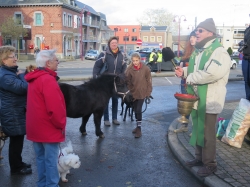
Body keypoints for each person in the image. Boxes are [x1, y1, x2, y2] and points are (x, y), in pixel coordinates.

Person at [175, 18, 231, 177]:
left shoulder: (218, 51)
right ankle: (199, 159)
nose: (196, 33)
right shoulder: (200, 51)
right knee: (198, 130)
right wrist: (183, 72)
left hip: (210, 99)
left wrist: (190, 77)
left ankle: (211, 164)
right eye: (196, 30)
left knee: (207, 133)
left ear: (210, 33)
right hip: (198, 98)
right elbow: (196, 69)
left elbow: (212, 73)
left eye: (200, 30)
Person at [25, 49, 66, 186]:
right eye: (56, 60)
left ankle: (42, 184)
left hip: (35, 127)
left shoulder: (34, 78)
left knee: (41, 159)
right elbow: (55, 108)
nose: (58, 62)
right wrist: (61, 124)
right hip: (48, 128)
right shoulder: (48, 80)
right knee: (51, 161)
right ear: (48, 63)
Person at [0, 45, 32, 175]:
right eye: (12, 56)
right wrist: (22, 76)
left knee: (18, 139)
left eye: (15, 56)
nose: (15, 59)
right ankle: (16, 167)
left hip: (15, 111)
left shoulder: (11, 72)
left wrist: (21, 75)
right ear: (4, 60)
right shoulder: (5, 76)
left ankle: (18, 162)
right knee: (16, 140)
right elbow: (23, 88)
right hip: (11, 112)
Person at [93, 36, 127, 126]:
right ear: (109, 44)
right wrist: (95, 78)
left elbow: (124, 67)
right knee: (106, 101)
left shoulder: (122, 55)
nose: (114, 44)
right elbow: (97, 66)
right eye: (112, 43)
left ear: (117, 44)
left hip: (116, 82)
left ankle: (115, 118)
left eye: (115, 43)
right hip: (106, 82)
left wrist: (122, 76)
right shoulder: (104, 54)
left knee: (115, 100)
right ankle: (106, 119)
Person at [125, 52, 152, 138]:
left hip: (142, 93)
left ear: (140, 60)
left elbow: (149, 82)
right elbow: (127, 82)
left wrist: (148, 93)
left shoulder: (146, 69)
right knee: (135, 110)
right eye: (133, 61)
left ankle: (139, 129)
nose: (135, 62)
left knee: (138, 109)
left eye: (137, 60)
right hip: (133, 93)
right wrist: (130, 90)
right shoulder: (130, 70)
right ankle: (137, 126)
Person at [174, 30, 197, 133]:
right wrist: (179, 70)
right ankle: (184, 126)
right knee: (185, 106)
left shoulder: (200, 52)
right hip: (184, 83)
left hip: (194, 83)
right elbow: (182, 65)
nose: (192, 39)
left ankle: (196, 129)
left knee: (195, 107)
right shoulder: (187, 52)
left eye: (194, 37)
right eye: (190, 37)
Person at [241, 24, 250, 100]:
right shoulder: (247, 30)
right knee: (246, 80)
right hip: (245, 57)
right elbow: (245, 41)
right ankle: (248, 99)